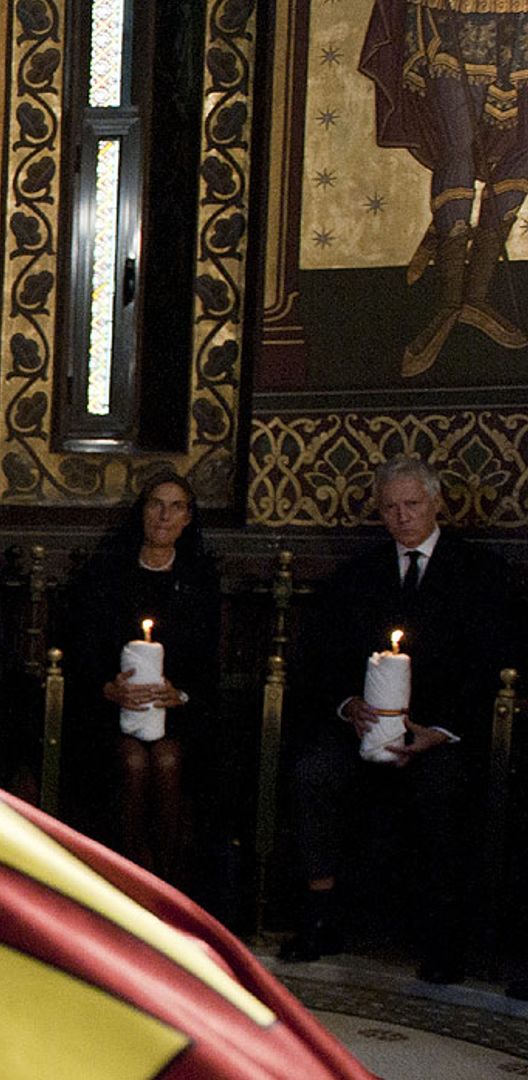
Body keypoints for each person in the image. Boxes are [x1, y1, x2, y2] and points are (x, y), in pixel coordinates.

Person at [280, 457, 514, 984]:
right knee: (313, 772)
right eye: (391, 507)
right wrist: (348, 706)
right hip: (363, 728)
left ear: (435, 503)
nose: (402, 516)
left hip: (442, 733)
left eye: (412, 504)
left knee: (443, 786)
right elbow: (324, 659)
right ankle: (320, 916)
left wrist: (439, 730)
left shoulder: (478, 572)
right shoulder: (359, 575)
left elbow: (488, 666)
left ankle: (443, 936)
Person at [61, 474, 221, 885]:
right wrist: (108, 687)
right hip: (107, 709)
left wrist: (178, 693)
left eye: (176, 507)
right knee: (132, 761)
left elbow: (206, 663)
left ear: (188, 518)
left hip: (179, 712)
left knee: (167, 760)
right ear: (142, 510)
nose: (164, 515)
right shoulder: (107, 573)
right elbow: (81, 649)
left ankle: (168, 881)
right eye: (156, 504)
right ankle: (133, 875)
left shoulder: (200, 580)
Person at [360, 1, 528, 373]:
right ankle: (450, 300)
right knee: (458, 146)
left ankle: (477, 297)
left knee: (523, 151)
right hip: (458, 17)